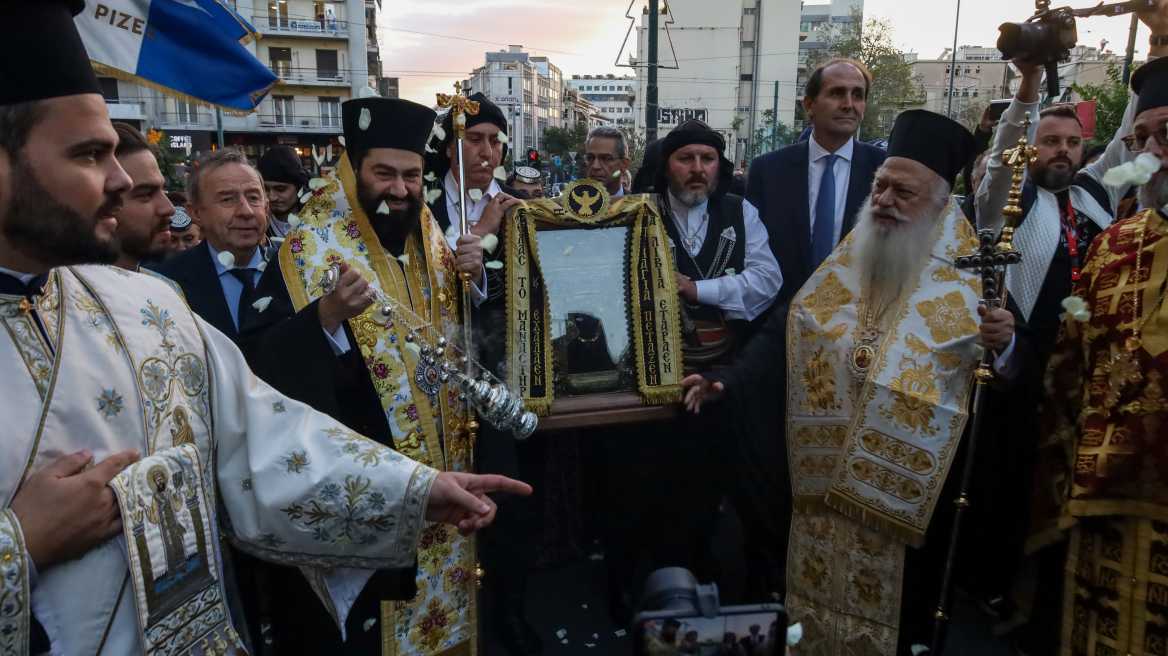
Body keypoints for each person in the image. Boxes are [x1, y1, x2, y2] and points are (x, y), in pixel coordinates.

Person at [0, 4, 529, 655]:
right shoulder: (298, 256)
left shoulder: (146, 306)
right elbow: (279, 367)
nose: (119, 181)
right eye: (88, 154)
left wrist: (416, 488)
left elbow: (263, 438)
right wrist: (17, 547)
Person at [682, 110, 1029, 654]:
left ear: (940, 204)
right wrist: (730, 380)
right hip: (822, 481)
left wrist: (1005, 345)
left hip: (910, 501)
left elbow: (1014, 372)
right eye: (880, 186)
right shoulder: (850, 259)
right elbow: (787, 328)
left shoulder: (971, 277)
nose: (884, 200)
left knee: (903, 619)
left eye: (902, 192)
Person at [236, 96, 496, 654]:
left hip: (447, 466)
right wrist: (326, 317)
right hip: (368, 478)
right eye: (384, 174)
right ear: (353, 171)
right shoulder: (305, 249)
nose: (399, 190)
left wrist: (472, 279)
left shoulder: (429, 236)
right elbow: (257, 361)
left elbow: (459, 341)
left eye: (411, 175)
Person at [1027, 54, 1168, 656]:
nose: (1151, 153)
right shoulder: (1115, 245)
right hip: (1101, 500)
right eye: (1143, 139)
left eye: (1167, 135)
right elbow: (1071, 371)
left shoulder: (1092, 201)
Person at [745, 58, 887, 305]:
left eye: (857, 95)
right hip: (780, 317)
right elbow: (752, 254)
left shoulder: (885, 171)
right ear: (809, 105)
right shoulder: (768, 171)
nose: (849, 104)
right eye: (837, 93)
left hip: (857, 318)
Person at [146, 149, 274, 340]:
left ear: (265, 207)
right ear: (196, 213)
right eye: (227, 199)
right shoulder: (161, 281)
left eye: (253, 198)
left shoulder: (297, 270)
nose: (246, 211)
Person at [109, 122, 175, 271]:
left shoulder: (164, 284)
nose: (169, 209)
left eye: (163, 190)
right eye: (146, 194)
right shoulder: (63, 285)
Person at [256, 144, 309, 240]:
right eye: (266, 189)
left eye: (281, 189)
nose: (272, 197)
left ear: (299, 188)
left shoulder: (320, 224)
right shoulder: (255, 227)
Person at [585, 125, 631, 197]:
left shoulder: (639, 202)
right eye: (590, 158)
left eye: (605, 159)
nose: (595, 166)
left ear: (624, 164)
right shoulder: (571, 203)